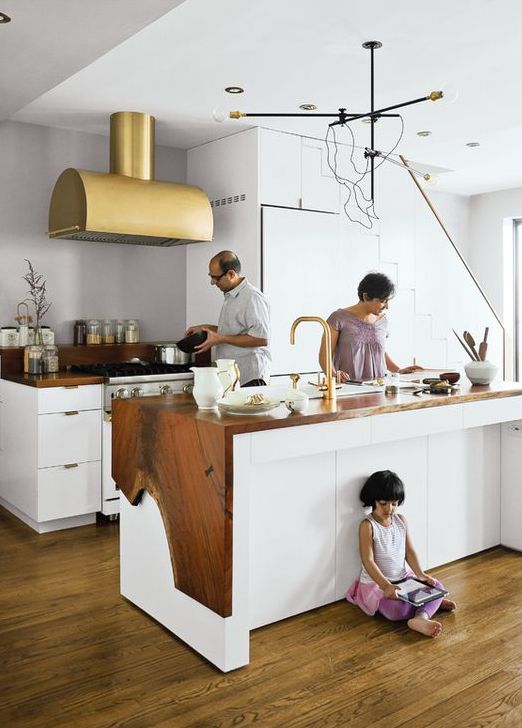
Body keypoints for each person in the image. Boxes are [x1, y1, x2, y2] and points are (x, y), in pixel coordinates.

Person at [346, 470, 456, 638]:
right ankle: (428, 606)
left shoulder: (401, 521)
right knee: (396, 610)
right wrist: (386, 586)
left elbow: (409, 552)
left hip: (404, 578)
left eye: (394, 503)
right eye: (383, 503)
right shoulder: (368, 526)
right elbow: (368, 561)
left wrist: (420, 574)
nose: (389, 509)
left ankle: (421, 617)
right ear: (373, 500)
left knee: (438, 586)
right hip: (379, 584)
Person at [186, 250, 271, 387]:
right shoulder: (231, 296)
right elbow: (236, 330)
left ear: (231, 274)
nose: (212, 283)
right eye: (211, 277)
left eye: (216, 278)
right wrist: (207, 328)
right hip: (234, 377)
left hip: (250, 377)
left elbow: (261, 339)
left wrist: (220, 339)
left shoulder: (252, 297)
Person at [319, 272, 422, 382]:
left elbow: (379, 351)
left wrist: (397, 370)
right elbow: (324, 355)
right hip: (348, 387)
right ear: (366, 296)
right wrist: (335, 375)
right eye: (383, 301)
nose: (387, 306)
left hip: (379, 387)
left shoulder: (383, 320)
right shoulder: (338, 318)